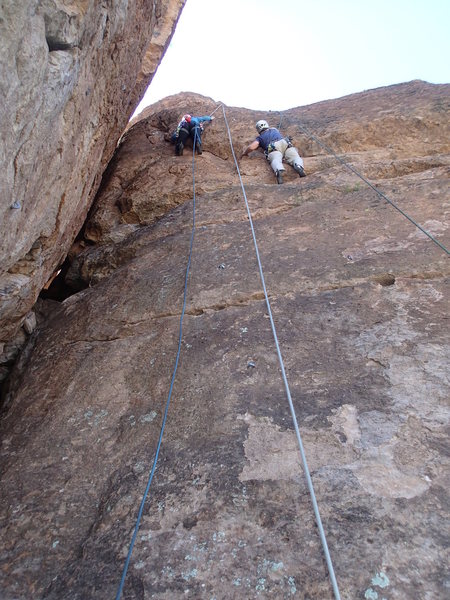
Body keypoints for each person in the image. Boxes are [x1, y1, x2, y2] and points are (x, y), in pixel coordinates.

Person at [241, 120, 306, 184]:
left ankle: (279, 170)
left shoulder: (260, 138)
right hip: (285, 143)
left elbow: (251, 147)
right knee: (294, 157)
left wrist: (245, 153)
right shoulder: (274, 130)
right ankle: (298, 165)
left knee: (276, 159)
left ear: (258, 129)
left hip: (274, 147)